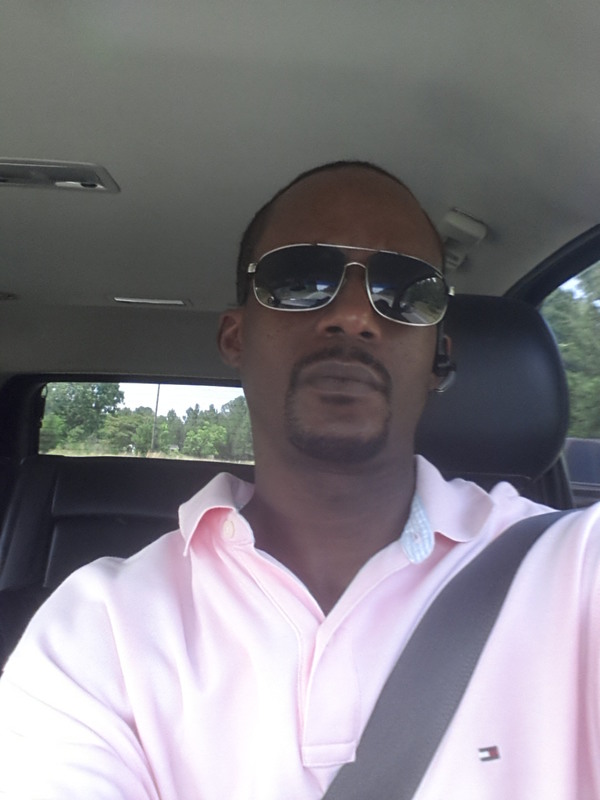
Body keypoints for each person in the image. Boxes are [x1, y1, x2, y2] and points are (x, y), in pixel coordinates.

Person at [0, 161, 599, 798]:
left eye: (405, 292)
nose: (355, 315)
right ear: (236, 336)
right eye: (300, 280)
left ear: (438, 357)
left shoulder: (572, 571)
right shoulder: (100, 627)